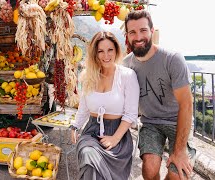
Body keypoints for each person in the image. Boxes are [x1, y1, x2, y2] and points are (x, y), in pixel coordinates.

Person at [123, 10, 196, 180]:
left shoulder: (172, 59)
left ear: (152, 31)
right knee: (149, 168)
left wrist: (179, 153)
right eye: (132, 32)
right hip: (150, 122)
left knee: (177, 174)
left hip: (177, 120)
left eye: (143, 30)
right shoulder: (126, 65)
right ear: (127, 35)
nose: (138, 37)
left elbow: (186, 105)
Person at [70, 31, 140, 180]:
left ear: (116, 50)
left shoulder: (127, 76)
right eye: (100, 51)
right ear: (95, 54)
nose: (106, 55)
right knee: (89, 159)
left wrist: (114, 138)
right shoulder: (87, 76)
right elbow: (83, 109)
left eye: (110, 50)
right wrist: (76, 126)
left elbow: (131, 114)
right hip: (91, 131)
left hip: (118, 134)